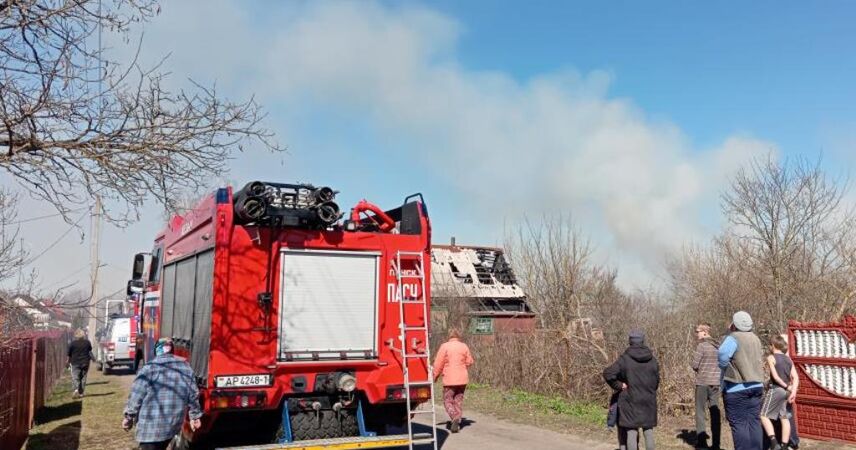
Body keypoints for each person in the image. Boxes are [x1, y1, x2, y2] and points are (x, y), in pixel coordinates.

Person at [123, 338, 202, 450]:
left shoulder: (149, 369)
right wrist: (195, 416)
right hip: (171, 427)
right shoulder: (186, 368)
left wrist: (128, 417)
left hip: (150, 429)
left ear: (156, 351)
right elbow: (193, 394)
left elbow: (136, 396)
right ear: (172, 350)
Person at [603, 330, 660, 450]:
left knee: (631, 432)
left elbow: (608, 373)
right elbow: (656, 381)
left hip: (630, 401)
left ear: (630, 341)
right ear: (643, 341)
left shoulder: (625, 359)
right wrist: (649, 390)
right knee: (648, 431)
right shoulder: (653, 360)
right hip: (648, 401)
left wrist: (619, 385)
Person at [718, 311, 765, 450]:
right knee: (754, 422)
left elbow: (722, 354)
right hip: (757, 385)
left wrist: (723, 366)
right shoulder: (756, 338)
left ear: (735, 324)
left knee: (739, 423)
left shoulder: (733, 338)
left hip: (736, 387)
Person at [432, 328, 474, 433]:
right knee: (458, 401)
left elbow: (438, 363)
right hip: (462, 379)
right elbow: (469, 361)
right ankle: (458, 420)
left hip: (450, 379)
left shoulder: (445, 346)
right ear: (458, 336)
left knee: (447, 400)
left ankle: (454, 416)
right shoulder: (464, 346)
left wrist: (435, 376)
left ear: (449, 336)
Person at [760, 335, 799, 450]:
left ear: (773, 346)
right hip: (787, 392)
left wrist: (786, 386)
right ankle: (784, 446)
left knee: (763, 415)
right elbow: (796, 378)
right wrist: (793, 392)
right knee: (784, 417)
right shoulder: (788, 359)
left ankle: (774, 443)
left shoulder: (771, 357)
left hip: (776, 389)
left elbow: (776, 377)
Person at [692, 323, 721, 449]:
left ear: (704, 332)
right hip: (716, 383)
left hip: (703, 382)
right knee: (715, 412)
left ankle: (702, 442)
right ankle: (716, 444)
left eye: (698, 331)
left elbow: (694, 365)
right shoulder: (719, 346)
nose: (696, 333)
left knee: (700, 412)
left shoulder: (702, 346)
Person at [67, 328, 93, 398]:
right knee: (83, 377)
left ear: (76, 335)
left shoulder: (72, 344)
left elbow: (69, 355)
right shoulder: (87, 342)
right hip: (85, 362)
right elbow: (90, 350)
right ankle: (81, 393)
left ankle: (76, 389)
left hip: (75, 362)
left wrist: (67, 362)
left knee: (75, 377)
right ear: (83, 335)